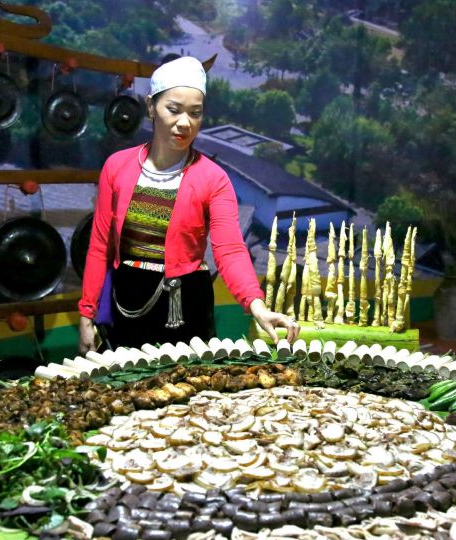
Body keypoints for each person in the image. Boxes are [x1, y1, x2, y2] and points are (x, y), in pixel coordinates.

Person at [78, 56, 300, 354]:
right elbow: (100, 244)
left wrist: (256, 306)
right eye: (173, 109)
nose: (185, 123)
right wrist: (86, 313)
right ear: (150, 107)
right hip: (128, 301)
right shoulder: (117, 167)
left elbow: (230, 249)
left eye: (195, 113)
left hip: (186, 307)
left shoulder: (213, 178)